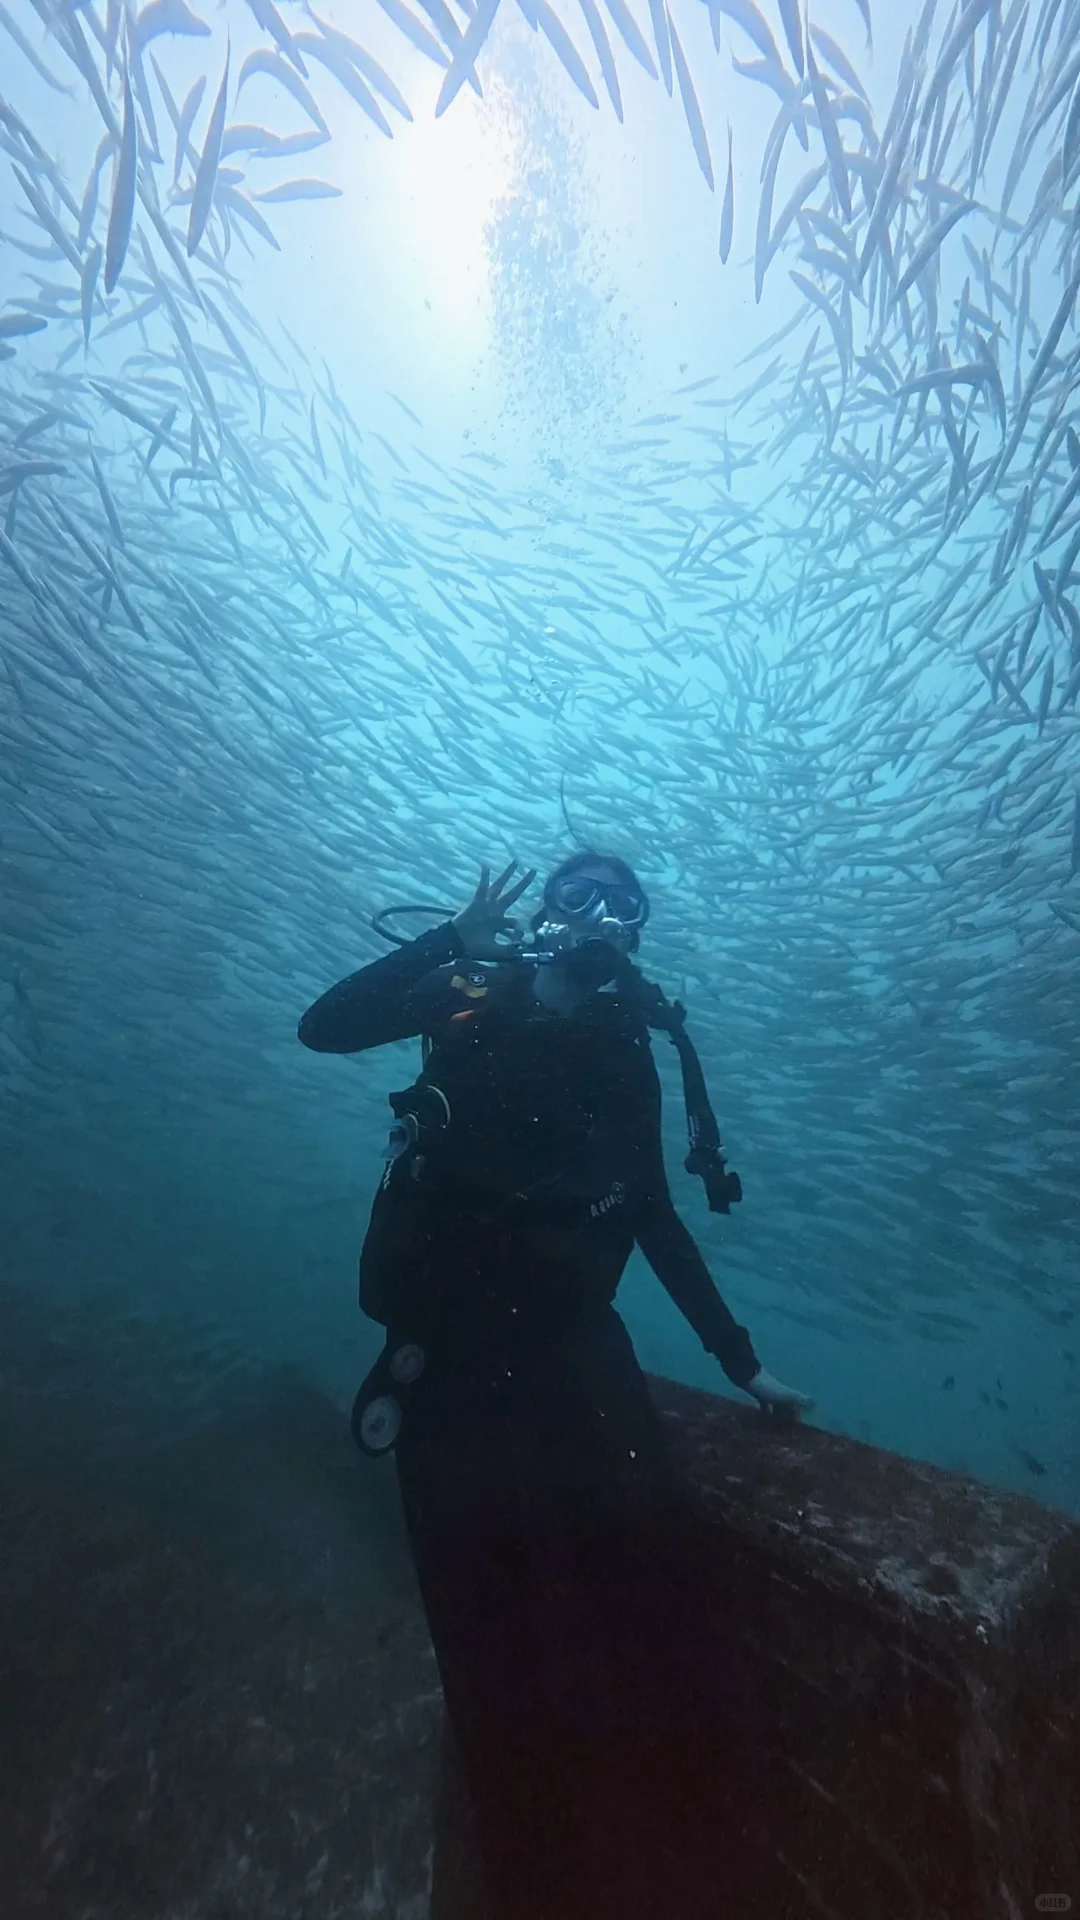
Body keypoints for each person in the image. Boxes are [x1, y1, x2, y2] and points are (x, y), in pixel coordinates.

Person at [298, 851, 812, 1920]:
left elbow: (655, 1212)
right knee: (481, 1629)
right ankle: (530, 1874)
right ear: (545, 909)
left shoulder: (627, 1044)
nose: (603, 917)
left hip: (571, 1339)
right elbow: (325, 1027)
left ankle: (703, 1844)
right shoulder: (469, 992)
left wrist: (739, 1358)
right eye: (581, 896)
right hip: (440, 1345)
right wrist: (449, 942)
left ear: (634, 936)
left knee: (660, 1574)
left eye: (625, 907)